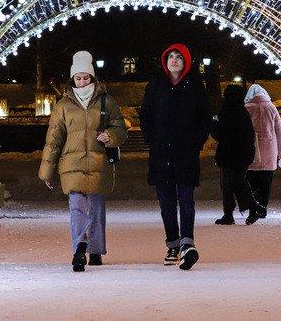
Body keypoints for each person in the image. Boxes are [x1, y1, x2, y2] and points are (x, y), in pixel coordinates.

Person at [39, 50, 127, 272]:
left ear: (92, 78)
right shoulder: (63, 105)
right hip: (72, 164)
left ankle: (95, 250)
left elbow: (120, 127)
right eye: (78, 78)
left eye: (86, 77)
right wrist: (47, 172)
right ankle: (79, 249)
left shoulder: (107, 101)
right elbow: (53, 140)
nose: (82, 82)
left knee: (97, 208)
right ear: (72, 79)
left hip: (99, 163)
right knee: (77, 208)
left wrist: (111, 136)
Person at [140, 44, 211, 270]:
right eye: (171, 56)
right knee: (167, 204)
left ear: (186, 61)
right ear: (165, 60)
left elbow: (205, 117)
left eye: (179, 57)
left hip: (185, 153)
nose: (174, 60)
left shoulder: (195, 86)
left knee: (186, 200)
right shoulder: (156, 85)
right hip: (161, 153)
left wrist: (196, 141)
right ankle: (173, 244)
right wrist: (152, 137)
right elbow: (146, 115)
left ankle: (188, 244)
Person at [212, 83, 266, 225]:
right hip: (243, 155)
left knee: (227, 184)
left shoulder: (228, 113)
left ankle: (229, 214)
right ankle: (252, 207)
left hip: (229, 155)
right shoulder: (242, 113)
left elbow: (220, 134)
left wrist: (213, 124)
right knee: (239, 182)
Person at [244, 83, 281, 217]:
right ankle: (263, 207)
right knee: (266, 183)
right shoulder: (271, 108)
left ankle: (254, 206)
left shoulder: (247, 108)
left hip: (252, 149)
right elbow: (280, 132)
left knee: (251, 181)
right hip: (270, 149)